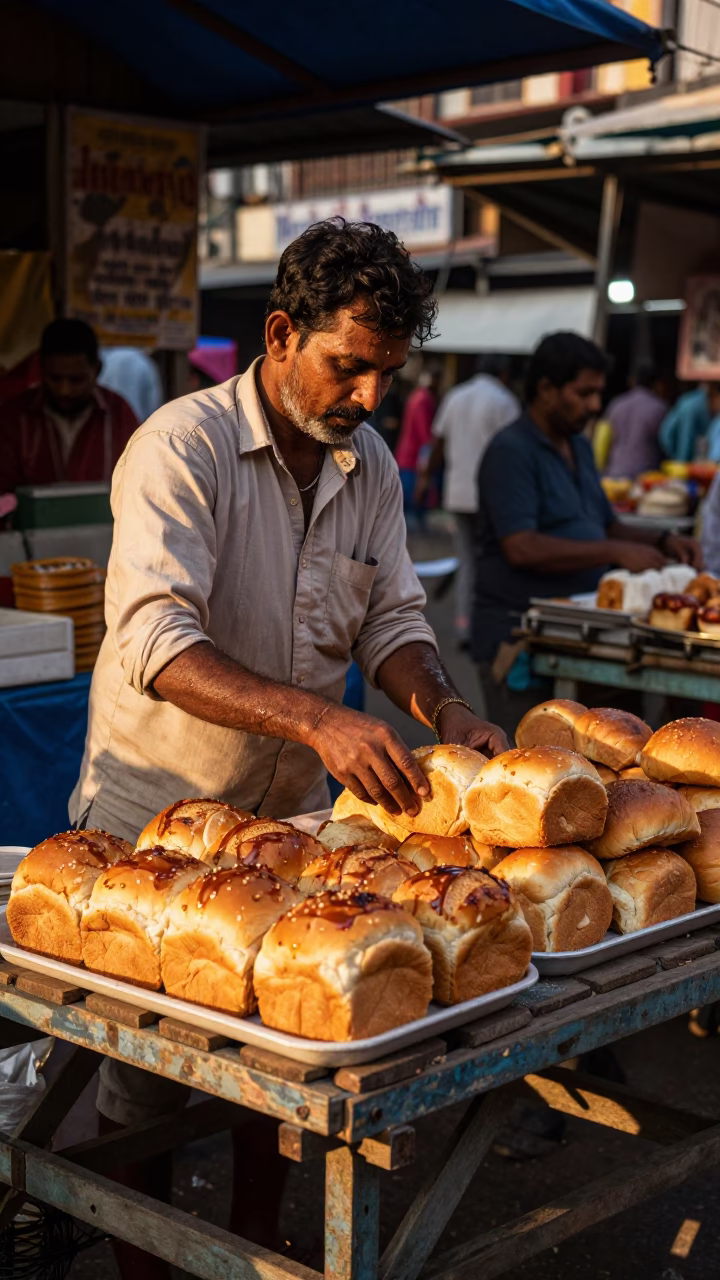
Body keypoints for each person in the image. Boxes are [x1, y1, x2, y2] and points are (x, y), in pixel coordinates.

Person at [69, 217, 508, 1278]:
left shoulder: (369, 470)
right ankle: (149, 1260)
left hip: (293, 831)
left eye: (385, 375)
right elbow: (155, 642)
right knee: (147, 1084)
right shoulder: (181, 447)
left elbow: (394, 621)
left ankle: (257, 1243)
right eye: (348, 367)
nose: (368, 397)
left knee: (287, 1070)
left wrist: (446, 712)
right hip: (157, 817)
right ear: (279, 334)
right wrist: (319, 716)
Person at [473, 332, 702, 739]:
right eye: (584, 393)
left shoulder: (577, 445)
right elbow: (521, 547)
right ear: (546, 389)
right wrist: (614, 551)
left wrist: (663, 540)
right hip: (522, 637)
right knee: (533, 763)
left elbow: (604, 523)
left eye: (598, 393)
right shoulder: (511, 451)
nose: (595, 405)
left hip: (583, 632)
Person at [417, 355, 520, 643]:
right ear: (504, 373)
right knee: (489, 561)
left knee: (467, 560)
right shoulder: (505, 401)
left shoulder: (456, 396)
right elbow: (515, 452)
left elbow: (438, 442)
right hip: (491, 497)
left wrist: (426, 477)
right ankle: (484, 625)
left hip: (458, 493)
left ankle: (464, 624)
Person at [0, 319, 138, 492]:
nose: (65, 390)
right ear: (40, 369)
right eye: (55, 379)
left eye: (76, 380)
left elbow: (136, 480)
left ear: (97, 370)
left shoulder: (119, 413)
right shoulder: (14, 416)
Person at [602, 360, 668, 478]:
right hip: (645, 477)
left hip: (614, 472)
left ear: (632, 381)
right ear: (657, 384)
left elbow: (604, 439)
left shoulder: (617, 404)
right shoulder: (659, 408)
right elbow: (666, 443)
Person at [394, 365, 441, 527]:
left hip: (408, 456)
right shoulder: (423, 400)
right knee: (415, 501)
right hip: (414, 459)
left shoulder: (416, 397)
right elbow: (425, 435)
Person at [98, 346, 164, 423]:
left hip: (106, 424)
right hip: (137, 427)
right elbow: (154, 405)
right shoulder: (144, 363)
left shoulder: (104, 360)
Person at [659, 384, 714, 463]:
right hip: (685, 462)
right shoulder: (695, 406)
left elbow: (666, 434)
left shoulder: (689, 400)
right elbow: (685, 440)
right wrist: (681, 460)